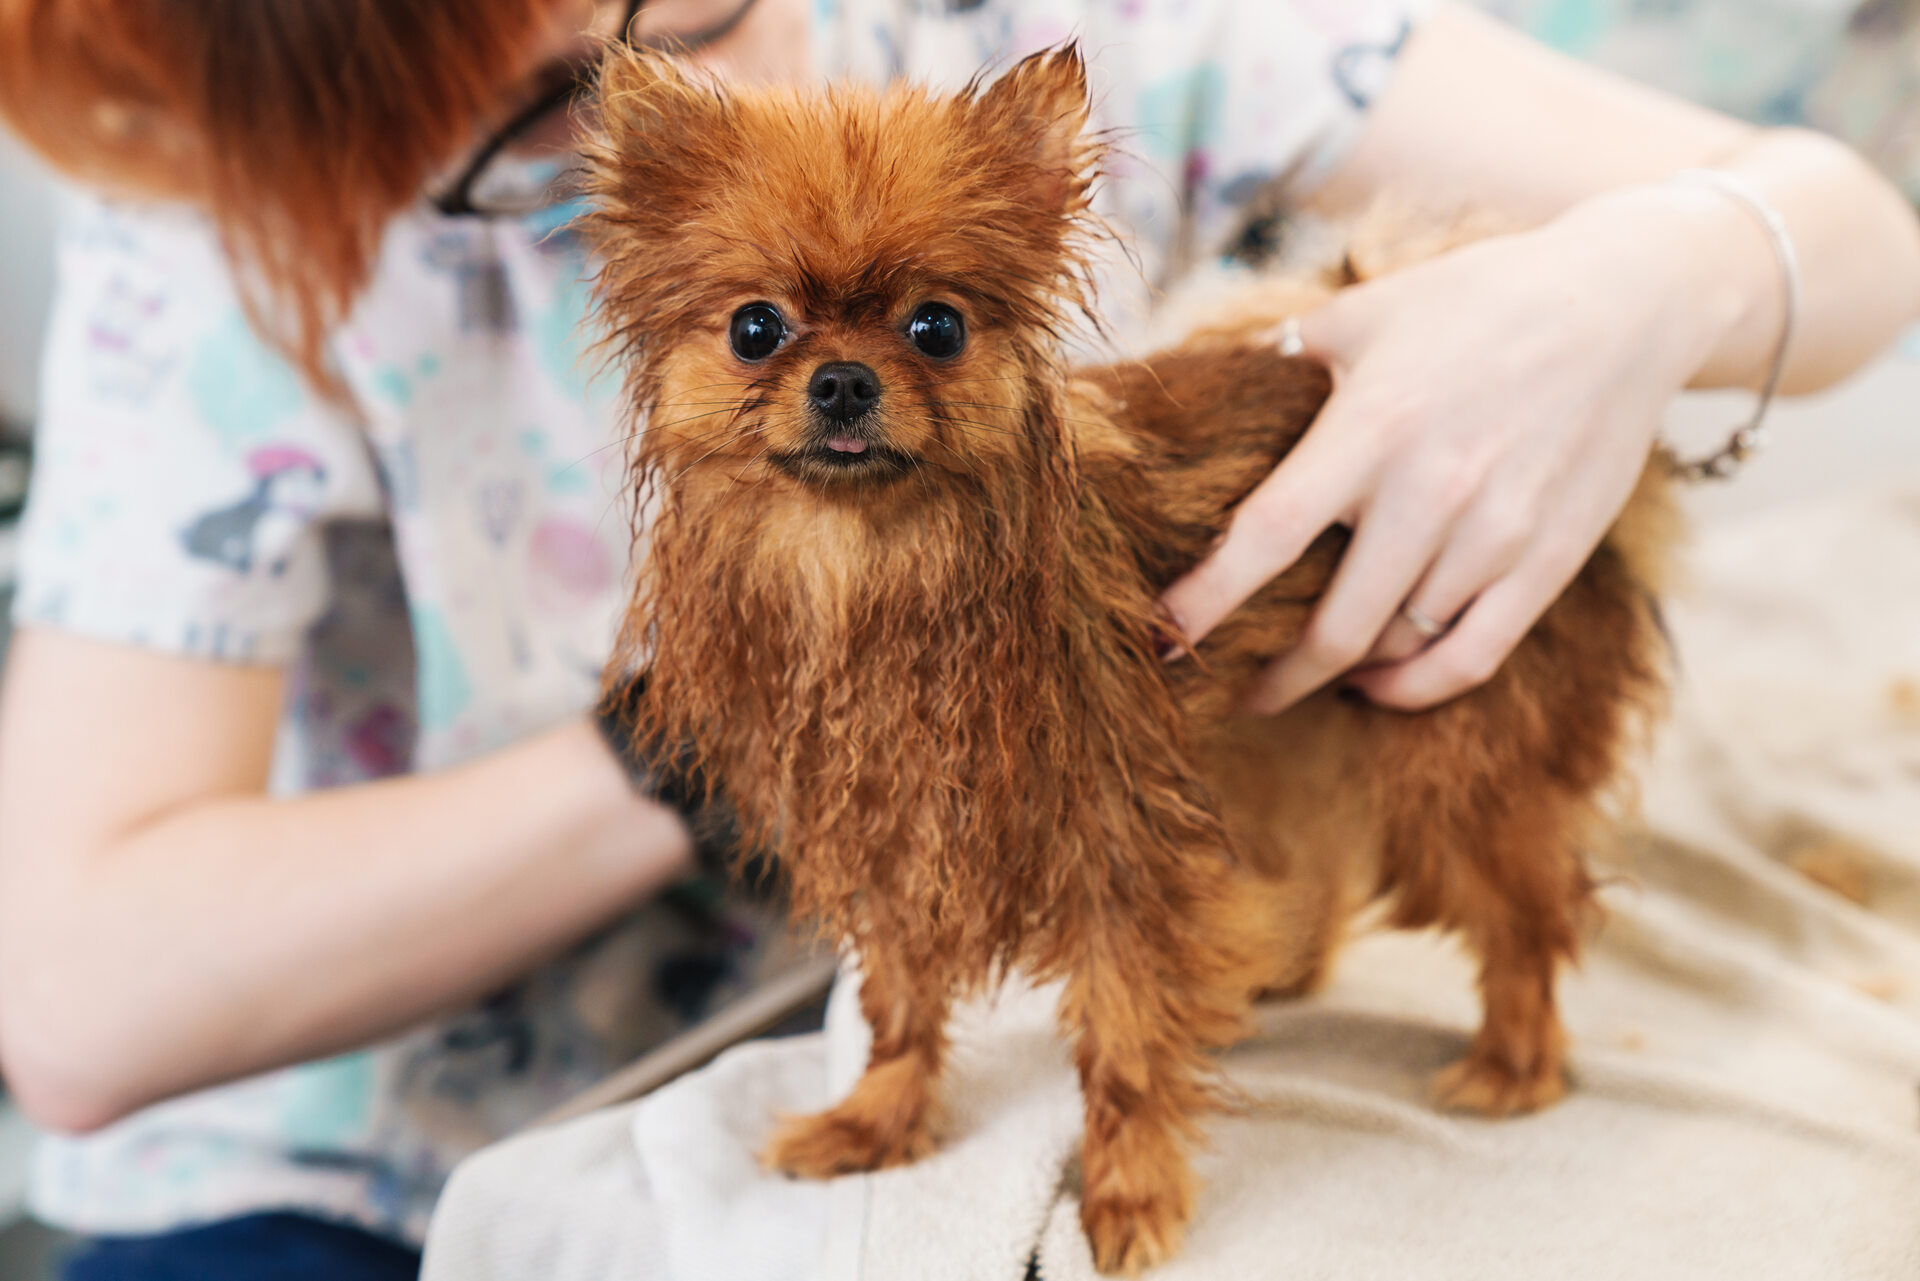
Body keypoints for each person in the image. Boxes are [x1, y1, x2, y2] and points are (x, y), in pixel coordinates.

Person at [0, 0, 1913, 1276]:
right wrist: (711, 732)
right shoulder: (219, 243)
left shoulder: (1081, 41)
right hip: (338, 1158)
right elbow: (71, 1010)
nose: (605, 60)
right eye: (516, 117)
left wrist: (1642, 282)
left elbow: (1857, 234)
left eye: (683, 14)